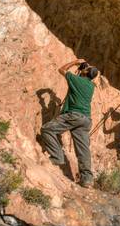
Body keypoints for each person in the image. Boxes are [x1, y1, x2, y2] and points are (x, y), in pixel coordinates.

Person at [40, 58, 98, 188]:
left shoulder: (77, 80)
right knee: (83, 149)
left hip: (74, 115)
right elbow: (85, 76)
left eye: (86, 68)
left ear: (85, 72)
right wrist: (85, 68)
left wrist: (75, 62)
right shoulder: (91, 86)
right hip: (86, 119)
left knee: (47, 129)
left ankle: (57, 156)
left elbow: (62, 69)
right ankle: (87, 179)